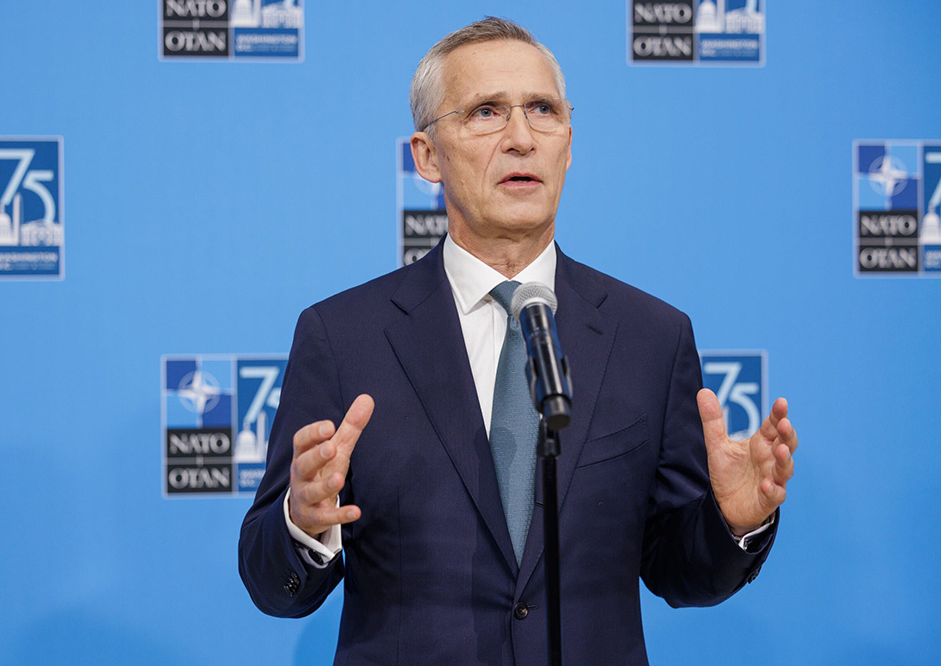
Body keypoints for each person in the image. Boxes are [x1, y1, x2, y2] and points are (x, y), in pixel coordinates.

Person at [239, 17, 798, 666]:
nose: (521, 138)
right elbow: (270, 585)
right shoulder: (342, 336)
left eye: (542, 110)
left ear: (569, 141)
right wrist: (302, 523)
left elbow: (681, 573)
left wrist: (731, 522)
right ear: (426, 156)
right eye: (485, 112)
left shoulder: (651, 336)